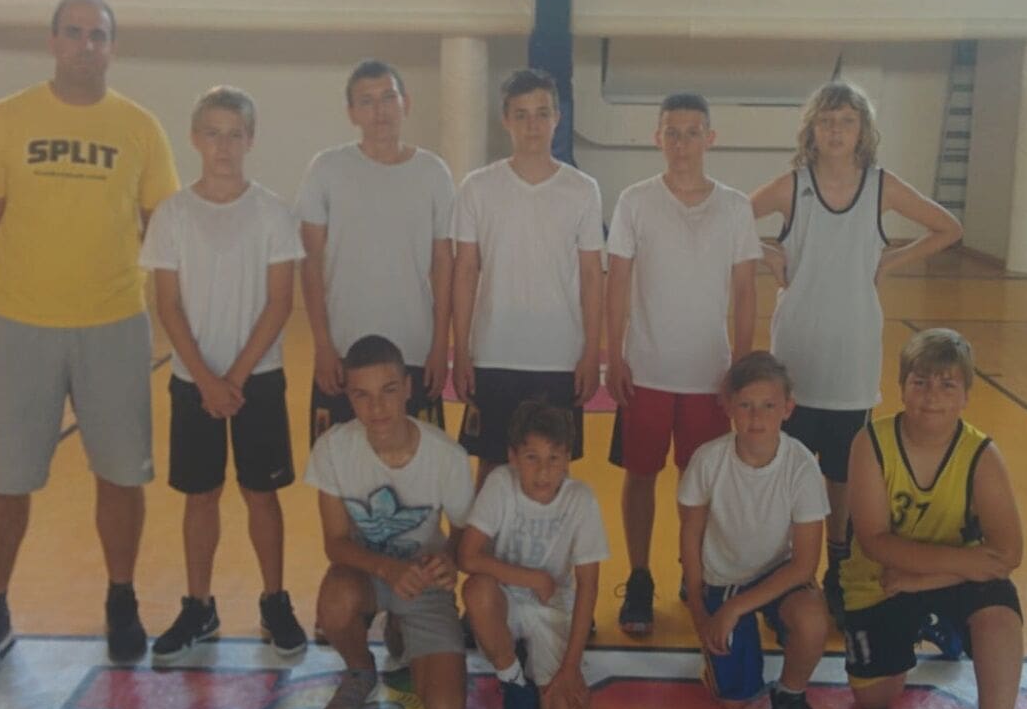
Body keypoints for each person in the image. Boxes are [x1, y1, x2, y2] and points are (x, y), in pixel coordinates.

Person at [0, 0, 179, 685]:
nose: (87, 45)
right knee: (5, 481)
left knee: (121, 474)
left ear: (112, 46)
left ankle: (121, 599)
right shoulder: (6, 119)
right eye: (75, 33)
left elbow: (160, 222)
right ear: (53, 41)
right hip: (19, 326)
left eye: (99, 35)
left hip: (113, 325)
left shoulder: (139, 126)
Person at [750, 81, 962, 625]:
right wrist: (766, 253)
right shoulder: (794, 185)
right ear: (812, 130)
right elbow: (729, 219)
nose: (836, 130)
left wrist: (890, 261)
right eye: (826, 121)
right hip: (796, 351)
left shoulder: (881, 186)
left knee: (842, 474)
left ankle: (838, 566)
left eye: (846, 121)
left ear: (863, 130)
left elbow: (948, 227)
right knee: (792, 470)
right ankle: (788, 570)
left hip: (852, 354)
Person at [139, 86, 307, 663]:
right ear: (194, 138)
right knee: (201, 494)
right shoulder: (172, 214)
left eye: (235, 134)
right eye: (213, 133)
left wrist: (232, 377)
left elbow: (280, 302)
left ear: (251, 140)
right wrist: (207, 380)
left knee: (262, 492)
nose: (224, 145)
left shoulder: (273, 212)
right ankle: (199, 605)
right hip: (195, 381)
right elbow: (167, 305)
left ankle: (274, 601)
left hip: (258, 378)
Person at [842, 328, 1023, 709]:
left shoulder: (981, 455)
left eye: (947, 385)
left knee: (1000, 605)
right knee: (873, 699)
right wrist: (959, 564)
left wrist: (924, 580)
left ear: (966, 395)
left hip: (931, 579)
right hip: (881, 581)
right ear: (902, 387)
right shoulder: (872, 442)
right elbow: (875, 541)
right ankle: (933, 622)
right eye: (920, 382)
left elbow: (1009, 554)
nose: (932, 396)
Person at [605, 92, 761, 635]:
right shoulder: (634, 201)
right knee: (640, 476)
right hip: (646, 371)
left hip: (709, 376)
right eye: (672, 132)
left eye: (693, 132)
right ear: (658, 138)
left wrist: (742, 370)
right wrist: (613, 355)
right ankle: (640, 576)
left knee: (701, 485)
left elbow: (746, 291)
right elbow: (617, 283)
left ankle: (695, 574)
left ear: (710, 138)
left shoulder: (735, 207)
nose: (682, 142)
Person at [306, 335, 473, 709]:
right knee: (334, 604)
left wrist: (449, 560)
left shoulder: (446, 455)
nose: (377, 408)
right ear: (348, 396)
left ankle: (403, 628)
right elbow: (335, 543)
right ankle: (360, 670)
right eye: (362, 395)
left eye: (389, 391)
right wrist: (387, 569)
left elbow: (463, 532)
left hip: (423, 581)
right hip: (365, 575)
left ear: (408, 388)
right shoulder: (332, 449)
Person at [452, 68, 603, 492]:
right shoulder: (477, 187)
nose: (532, 125)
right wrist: (461, 351)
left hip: (559, 357)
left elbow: (592, 275)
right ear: (506, 120)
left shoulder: (583, 189)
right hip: (493, 352)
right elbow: (465, 271)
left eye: (542, 113)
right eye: (521, 114)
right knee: (491, 467)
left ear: (557, 118)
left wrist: (591, 352)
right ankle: (482, 539)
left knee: (553, 467)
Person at [678, 352, 830, 709]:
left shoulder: (801, 465)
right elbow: (690, 534)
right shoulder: (708, 460)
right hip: (724, 578)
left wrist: (736, 609)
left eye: (768, 405)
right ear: (728, 407)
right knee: (733, 703)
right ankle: (731, 650)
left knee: (813, 619)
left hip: (779, 574)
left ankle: (790, 697)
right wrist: (699, 607)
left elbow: (805, 565)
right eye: (745, 405)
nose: (756, 417)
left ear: (788, 409)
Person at [296, 59, 455, 444]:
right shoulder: (326, 169)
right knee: (337, 462)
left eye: (388, 97)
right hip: (343, 347)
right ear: (352, 112)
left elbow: (443, 264)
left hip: (414, 347)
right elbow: (311, 262)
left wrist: (440, 346)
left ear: (406, 103)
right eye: (366, 101)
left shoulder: (433, 172)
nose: (379, 110)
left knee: (420, 464)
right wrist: (322, 345)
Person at [459, 400, 608, 709]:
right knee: (477, 590)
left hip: (550, 608)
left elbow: (588, 587)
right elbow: (466, 556)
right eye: (532, 457)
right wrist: (531, 578)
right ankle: (516, 686)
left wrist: (570, 667)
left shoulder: (580, 499)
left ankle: (529, 658)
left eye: (554, 458)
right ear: (512, 456)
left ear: (568, 458)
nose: (543, 471)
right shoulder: (500, 482)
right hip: (504, 600)